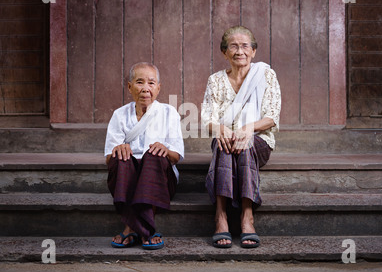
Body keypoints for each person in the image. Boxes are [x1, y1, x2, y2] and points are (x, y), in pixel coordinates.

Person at [201, 26, 281, 248]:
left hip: (258, 141)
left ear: (253, 51)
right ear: (225, 52)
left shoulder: (265, 75)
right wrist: (219, 129)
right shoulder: (216, 80)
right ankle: (221, 216)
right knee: (223, 144)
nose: (239, 51)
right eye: (233, 46)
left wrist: (247, 128)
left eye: (245, 46)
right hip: (225, 141)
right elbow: (207, 119)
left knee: (244, 143)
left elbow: (272, 117)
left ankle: (247, 215)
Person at [104, 62, 184, 250]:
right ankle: (147, 230)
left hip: (160, 179)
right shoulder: (119, 115)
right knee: (121, 156)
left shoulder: (168, 112)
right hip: (127, 178)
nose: (145, 89)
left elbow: (177, 156)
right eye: (140, 82)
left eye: (151, 83)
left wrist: (164, 149)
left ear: (158, 88)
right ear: (130, 87)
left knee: (153, 156)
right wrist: (119, 149)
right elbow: (109, 160)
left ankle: (130, 228)